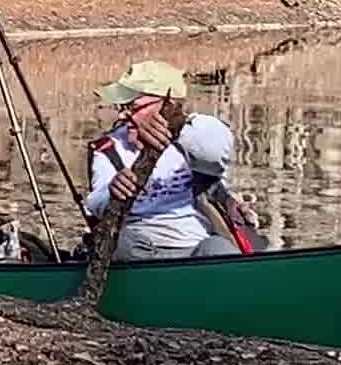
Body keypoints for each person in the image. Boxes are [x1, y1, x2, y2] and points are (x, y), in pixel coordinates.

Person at [84, 59, 259, 260]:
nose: (123, 115)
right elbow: (96, 201)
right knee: (117, 244)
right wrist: (113, 191)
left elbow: (218, 149)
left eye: (132, 106)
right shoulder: (108, 147)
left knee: (220, 249)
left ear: (167, 104)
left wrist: (176, 128)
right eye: (120, 107)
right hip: (139, 247)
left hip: (196, 247)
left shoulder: (196, 137)